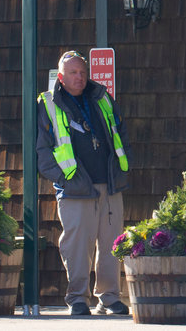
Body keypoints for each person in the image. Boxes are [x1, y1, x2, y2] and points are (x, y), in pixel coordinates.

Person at [36, 50, 132, 316]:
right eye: (74, 73)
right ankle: (77, 298)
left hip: (110, 184)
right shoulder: (48, 104)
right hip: (75, 188)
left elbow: (120, 133)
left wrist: (125, 164)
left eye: (83, 72)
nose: (80, 78)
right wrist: (62, 179)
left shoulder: (102, 98)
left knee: (112, 243)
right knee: (77, 246)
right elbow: (43, 152)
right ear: (62, 77)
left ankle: (109, 297)